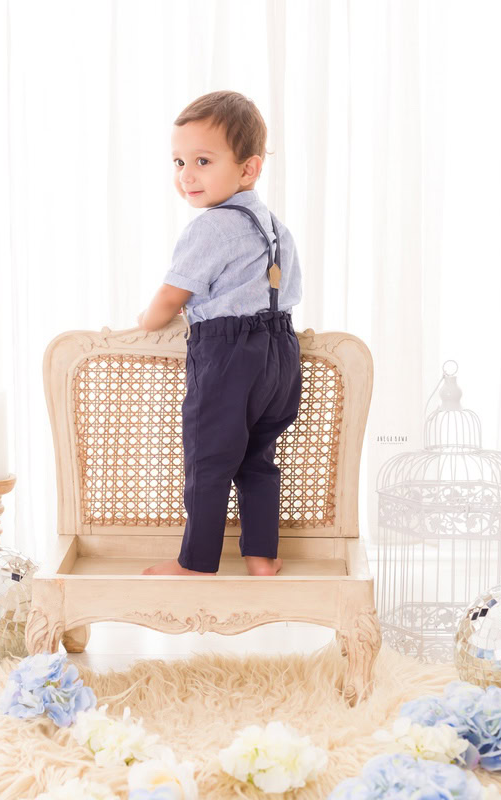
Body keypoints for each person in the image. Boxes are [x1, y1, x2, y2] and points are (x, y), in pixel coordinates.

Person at [137, 90, 302, 577]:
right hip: (281, 350)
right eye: (179, 161)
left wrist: (146, 321)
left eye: (203, 161)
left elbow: (173, 296)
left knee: (209, 459)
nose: (186, 174)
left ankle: (197, 561)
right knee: (258, 457)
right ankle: (261, 556)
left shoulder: (212, 228)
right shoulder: (275, 227)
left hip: (229, 354)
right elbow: (288, 289)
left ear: (248, 170)